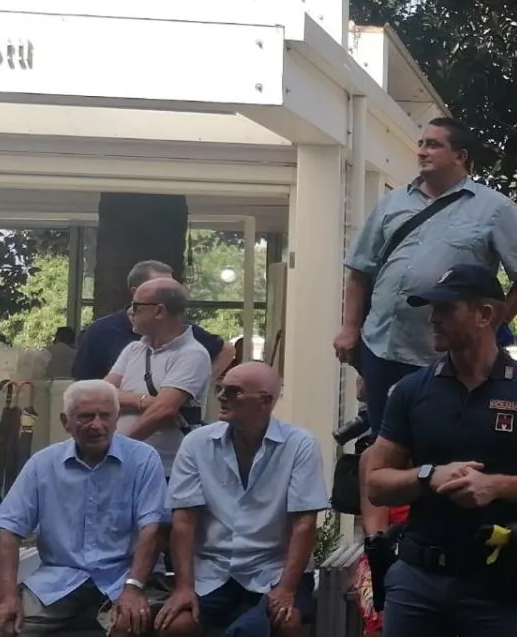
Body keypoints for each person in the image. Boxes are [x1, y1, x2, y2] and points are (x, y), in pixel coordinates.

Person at [337, 118, 517, 550]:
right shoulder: (392, 203)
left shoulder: (493, 208)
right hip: (384, 345)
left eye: (433, 144)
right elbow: (359, 270)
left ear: (460, 156)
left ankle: (451, 535)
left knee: (450, 445)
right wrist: (349, 327)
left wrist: (494, 321)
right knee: (382, 446)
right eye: (421, 143)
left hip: (450, 356)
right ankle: (378, 543)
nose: (422, 151)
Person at [362, 263, 517, 636]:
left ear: (485, 315)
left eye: (446, 308)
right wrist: (428, 476)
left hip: (496, 585)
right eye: (433, 308)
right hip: (417, 582)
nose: (433, 318)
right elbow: (376, 483)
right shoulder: (412, 391)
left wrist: (495, 486)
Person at [0, 380, 170, 637]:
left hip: (124, 576)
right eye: (85, 416)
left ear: (117, 419)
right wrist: (7, 597)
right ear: (65, 421)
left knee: (127, 626)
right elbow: (8, 531)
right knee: (1, 629)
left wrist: (134, 587)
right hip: (59, 579)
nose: (97, 425)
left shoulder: (143, 459)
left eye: (105, 416)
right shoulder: (43, 464)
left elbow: (153, 529)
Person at [158, 363, 328, 637]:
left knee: (286, 621)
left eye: (233, 391)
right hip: (211, 571)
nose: (221, 397)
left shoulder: (300, 445)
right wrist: (184, 588)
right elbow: (183, 522)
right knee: (176, 625)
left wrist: (286, 589)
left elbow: (304, 524)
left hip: (273, 569)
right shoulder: (196, 443)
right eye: (220, 388)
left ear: (265, 401)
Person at [105, 277, 212, 468]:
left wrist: (116, 449)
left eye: (136, 306)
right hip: (128, 462)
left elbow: (162, 411)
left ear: (159, 311)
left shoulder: (192, 354)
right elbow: (102, 394)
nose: (130, 312)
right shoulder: (134, 349)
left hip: (165, 467)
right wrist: (143, 401)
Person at [74, 260, 226, 382]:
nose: (170, 294)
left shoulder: (184, 335)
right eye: (161, 288)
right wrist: (139, 400)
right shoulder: (109, 335)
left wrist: (200, 382)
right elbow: (91, 385)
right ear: (136, 292)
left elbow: (166, 405)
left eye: (172, 288)